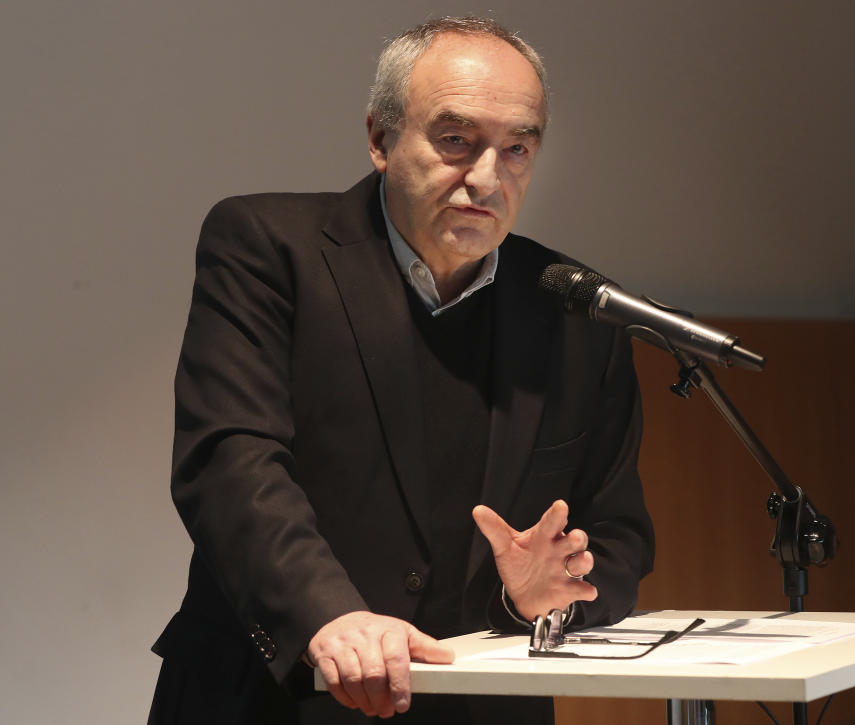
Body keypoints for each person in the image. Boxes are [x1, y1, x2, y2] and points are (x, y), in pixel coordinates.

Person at [148, 16, 654, 725]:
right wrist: (330, 615)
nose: (485, 176)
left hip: (480, 705)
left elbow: (618, 533)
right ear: (380, 138)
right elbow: (230, 462)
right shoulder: (267, 249)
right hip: (278, 696)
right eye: (455, 141)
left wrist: (546, 592)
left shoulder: (573, 305)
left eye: (516, 148)